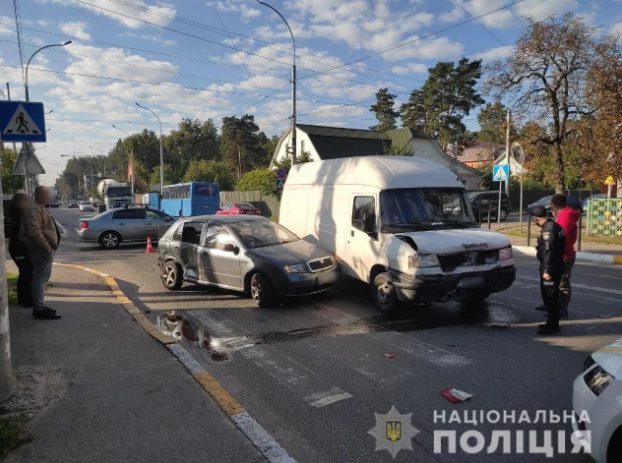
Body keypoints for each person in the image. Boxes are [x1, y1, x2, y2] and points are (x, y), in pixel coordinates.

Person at [20, 186, 61, 320]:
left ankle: (40, 306)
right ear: (39, 195)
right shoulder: (34, 209)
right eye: (46, 195)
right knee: (40, 279)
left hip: (42, 249)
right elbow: (34, 232)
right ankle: (39, 309)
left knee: (42, 279)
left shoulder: (39, 208)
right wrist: (47, 248)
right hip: (40, 249)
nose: (49, 197)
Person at [532, 205, 566, 335]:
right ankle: (551, 323)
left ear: (536, 218)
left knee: (550, 297)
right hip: (556, 265)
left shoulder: (548, 230)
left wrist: (547, 270)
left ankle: (553, 326)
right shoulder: (555, 225)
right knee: (552, 297)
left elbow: (548, 252)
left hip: (551, 268)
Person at [5, 193, 33, 307]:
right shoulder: (17, 216)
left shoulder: (16, 214)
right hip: (18, 248)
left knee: (26, 273)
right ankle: (25, 300)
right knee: (26, 273)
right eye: (26, 201)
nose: (28, 204)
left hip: (19, 247)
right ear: (19, 203)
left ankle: (24, 299)